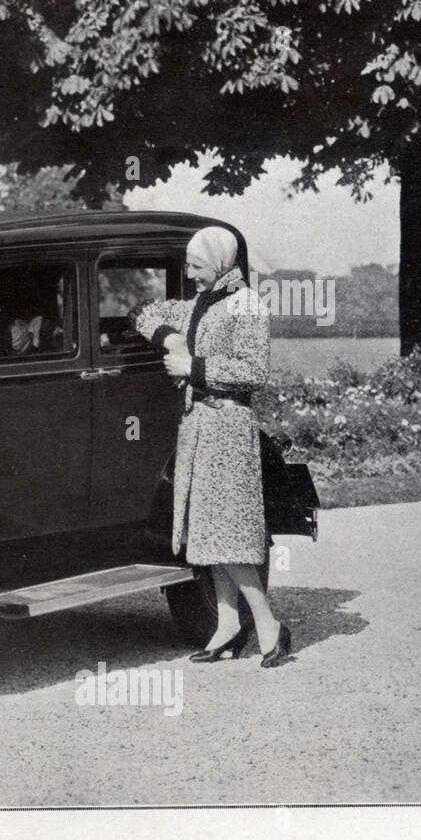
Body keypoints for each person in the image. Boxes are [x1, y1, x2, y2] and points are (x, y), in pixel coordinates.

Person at [131, 226, 292, 668]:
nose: (190, 273)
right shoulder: (201, 304)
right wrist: (169, 337)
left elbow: (254, 370)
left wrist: (193, 366)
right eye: (188, 265)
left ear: (221, 262)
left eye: (197, 266)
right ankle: (227, 625)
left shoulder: (247, 306)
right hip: (199, 428)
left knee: (230, 535)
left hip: (229, 428)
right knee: (206, 532)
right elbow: (142, 311)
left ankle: (267, 624)